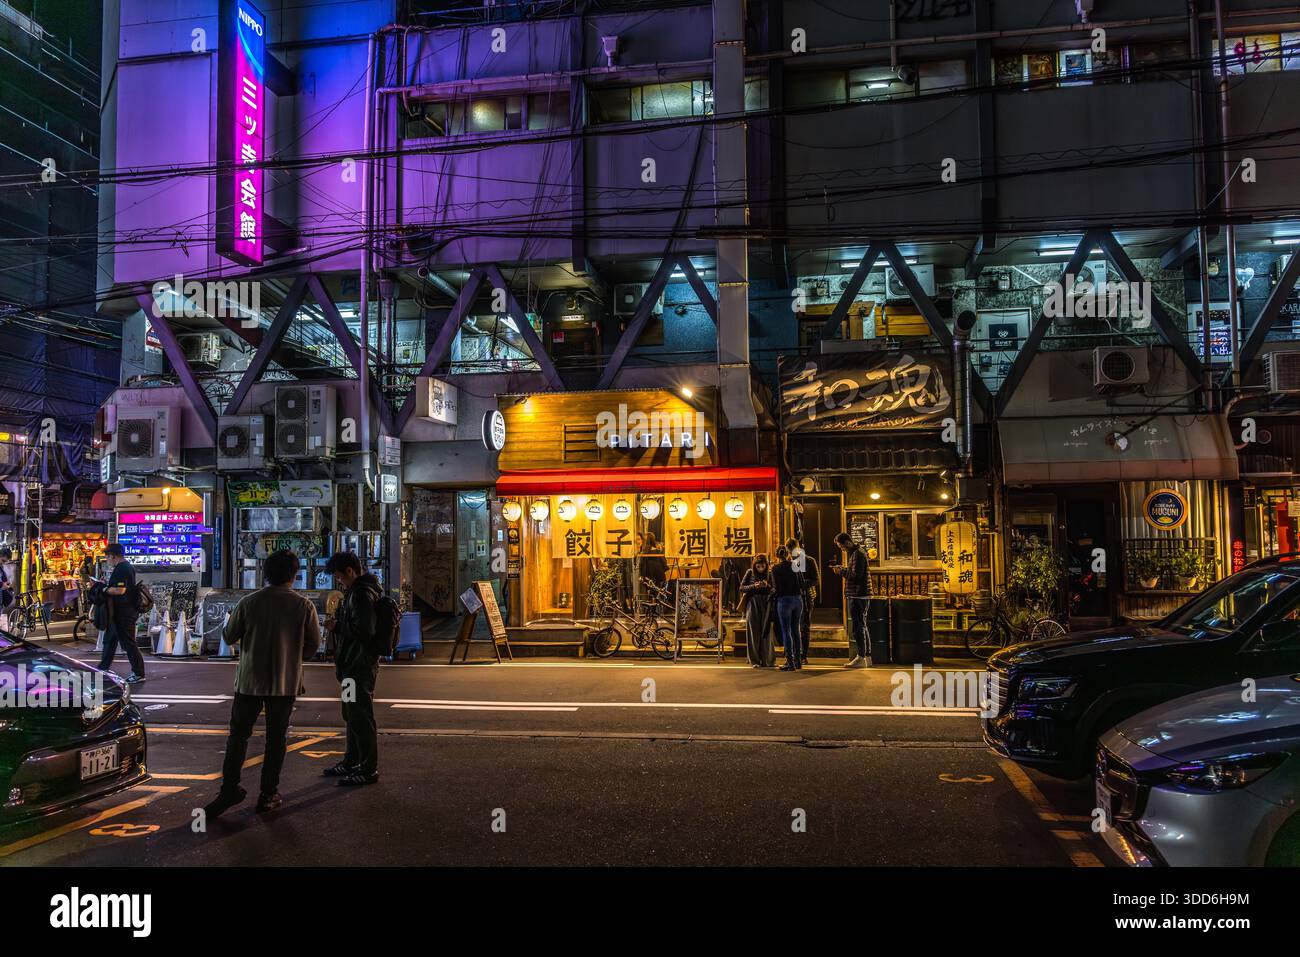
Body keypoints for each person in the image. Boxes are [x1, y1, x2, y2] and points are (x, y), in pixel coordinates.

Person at [204, 551, 321, 817]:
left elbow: (229, 635)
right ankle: (268, 793)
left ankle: (229, 789)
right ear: (294, 574)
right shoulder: (304, 606)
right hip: (285, 683)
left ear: (264, 574)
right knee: (276, 738)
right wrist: (292, 657)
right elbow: (313, 645)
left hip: (249, 682)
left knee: (238, 737)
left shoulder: (249, 602)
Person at [323, 551, 382, 786]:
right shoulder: (362, 591)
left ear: (349, 571)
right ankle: (351, 761)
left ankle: (368, 768)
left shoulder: (360, 594)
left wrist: (337, 626)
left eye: (339, 577)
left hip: (357, 665)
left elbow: (365, 630)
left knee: (359, 715)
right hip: (351, 664)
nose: (339, 581)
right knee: (351, 713)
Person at [100, 543, 146, 683]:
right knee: (110, 640)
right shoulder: (126, 567)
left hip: (124, 612)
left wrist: (103, 589)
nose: (107, 560)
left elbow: (121, 590)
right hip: (119, 611)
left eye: (107, 557)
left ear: (113, 556)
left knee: (128, 643)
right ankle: (103, 668)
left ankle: (138, 673)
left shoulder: (122, 568)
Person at [832, 531, 872, 668]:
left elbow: (856, 576)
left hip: (858, 595)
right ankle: (867, 656)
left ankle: (861, 657)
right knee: (862, 625)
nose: (842, 550)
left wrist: (841, 572)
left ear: (847, 543)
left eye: (842, 547)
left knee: (858, 627)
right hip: (860, 595)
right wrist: (844, 569)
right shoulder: (857, 553)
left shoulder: (857, 554)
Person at [771, 546, 805, 671]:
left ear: (777, 556)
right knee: (796, 630)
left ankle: (790, 662)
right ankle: (798, 661)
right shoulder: (795, 565)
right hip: (797, 599)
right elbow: (802, 584)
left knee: (786, 631)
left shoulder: (775, 568)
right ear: (788, 554)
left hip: (784, 600)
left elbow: (776, 587)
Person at [787, 537, 819, 665]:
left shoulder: (809, 560)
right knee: (791, 626)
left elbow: (816, 579)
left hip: (806, 596)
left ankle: (803, 655)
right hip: (791, 596)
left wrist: (800, 584)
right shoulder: (788, 562)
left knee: (804, 626)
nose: (792, 553)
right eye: (790, 551)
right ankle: (794, 653)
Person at [739, 554, 775, 668]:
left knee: (766, 632)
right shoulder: (750, 573)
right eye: (758, 566)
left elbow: (774, 589)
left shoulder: (770, 574)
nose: (760, 569)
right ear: (755, 566)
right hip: (752, 604)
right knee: (753, 632)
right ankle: (754, 660)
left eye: (763, 566)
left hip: (766, 604)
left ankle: (767, 660)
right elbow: (742, 587)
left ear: (766, 565)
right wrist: (754, 586)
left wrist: (767, 586)